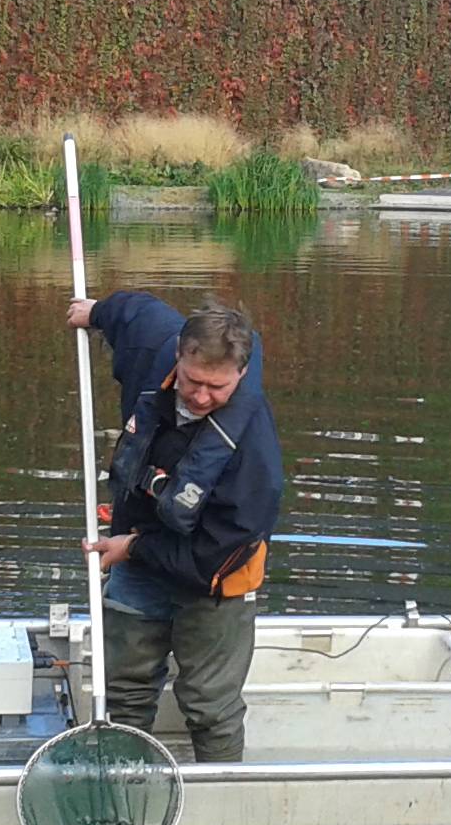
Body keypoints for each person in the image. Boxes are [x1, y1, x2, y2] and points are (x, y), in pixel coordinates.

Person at [62, 292, 285, 763]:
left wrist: (133, 549)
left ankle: (219, 805)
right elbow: (134, 312)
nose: (201, 396)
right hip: (138, 555)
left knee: (210, 705)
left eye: (218, 389)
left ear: (241, 376)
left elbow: (214, 552)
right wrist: (95, 313)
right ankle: (123, 789)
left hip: (217, 578)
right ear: (178, 355)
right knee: (123, 690)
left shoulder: (254, 459)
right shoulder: (157, 349)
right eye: (192, 381)